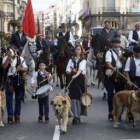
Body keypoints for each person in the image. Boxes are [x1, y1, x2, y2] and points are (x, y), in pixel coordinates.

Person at [2, 46, 27, 123]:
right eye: (8, 51)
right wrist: (8, 59)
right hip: (9, 80)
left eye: (12, 51)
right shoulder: (5, 58)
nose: (10, 52)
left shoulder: (20, 59)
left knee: (18, 99)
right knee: (9, 99)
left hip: (18, 79)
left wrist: (20, 69)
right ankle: (10, 115)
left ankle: (17, 115)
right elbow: (4, 67)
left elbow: (26, 69)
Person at [104, 38, 125, 120]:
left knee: (121, 94)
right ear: (112, 44)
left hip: (121, 75)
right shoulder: (109, 52)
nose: (116, 45)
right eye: (114, 43)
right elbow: (108, 63)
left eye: (117, 43)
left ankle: (119, 113)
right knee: (111, 94)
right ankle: (111, 112)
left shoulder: (122, 52)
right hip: (111, 75)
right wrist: (113, 68)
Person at [66, 45, 87, 125]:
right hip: (72, 79)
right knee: (73, 97)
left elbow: (81, 70)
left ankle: (78, 116)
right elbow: (67, 69)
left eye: (79, 49)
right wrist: (71, 72)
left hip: (80, 80)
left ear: (81, 51)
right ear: (74, 51)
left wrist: (76, 74)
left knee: (79, 97)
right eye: (76, 49)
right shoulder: (71, 60)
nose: (77, 50)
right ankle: (74, 115)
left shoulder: (83, 61)